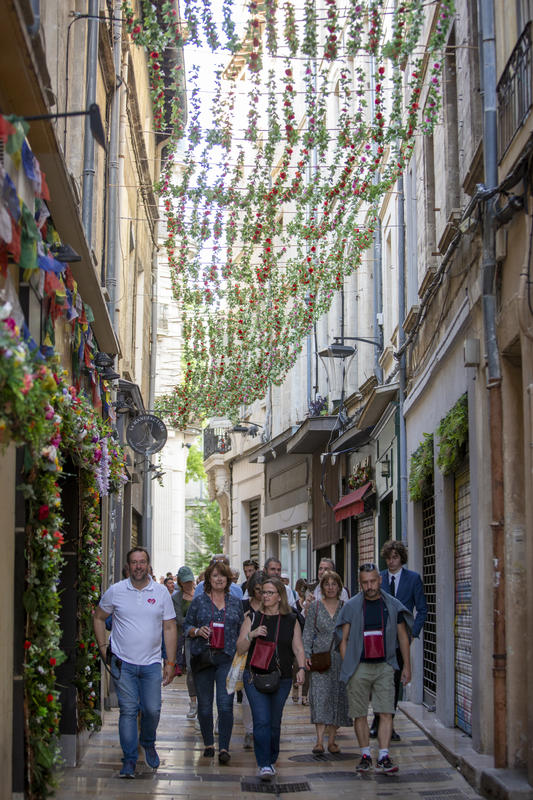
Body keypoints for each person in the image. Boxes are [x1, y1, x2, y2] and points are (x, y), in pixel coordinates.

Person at [93, 547, 177, 779]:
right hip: (123, 663)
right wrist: (103, 646)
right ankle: (129, 759)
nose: (138, 566)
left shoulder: (161, 592)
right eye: (134, 562)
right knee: (128, 711)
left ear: (148, 565)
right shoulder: (116, 591)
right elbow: (99, 617)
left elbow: (170, 627)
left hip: (151, 664)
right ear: (128, 566)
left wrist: (170, 662)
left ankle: (148, 742)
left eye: (142, 562)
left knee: (152, 709)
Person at [337, 563, 413, 775]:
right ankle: (364, 755)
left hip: (385, 665)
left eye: (372, 581)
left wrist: (407, 666)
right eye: (365, 582)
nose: (369, 586)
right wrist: (349, 665)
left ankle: (384, 756)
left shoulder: (393, 605)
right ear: (360, 583)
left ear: (380, 580)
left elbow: (403, 637)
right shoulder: (352, 606)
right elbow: (343, 639)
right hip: (359, 666)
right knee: (359, 713)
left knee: (386, 711)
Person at [236, 576, 306, 782]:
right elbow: (240, 648)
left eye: (270, 593)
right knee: (261, 720)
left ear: (279, 596)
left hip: (282, 678)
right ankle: (264, 763)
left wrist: (301, 668)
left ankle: (271, 758)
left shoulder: (291, 619)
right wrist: (252, 635)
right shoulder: (252, 617)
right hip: (254, 676)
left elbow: (298, 647)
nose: (265, 596)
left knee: (274, 722)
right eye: (263, 592)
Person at [184, 560, 244, 765]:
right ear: (208, 579)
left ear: (228, 579)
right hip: (203, 658)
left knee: (225, 705)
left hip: (227, 658)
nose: (219, 579)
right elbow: (186, 626)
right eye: (215, 575)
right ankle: (209, 743)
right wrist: (196, 631)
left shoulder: (235, 602)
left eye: (222, 575)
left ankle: (224, 747)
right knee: (204, 706)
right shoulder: (199, 601)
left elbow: (242, 628)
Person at [369, 539, 428, 740]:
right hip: (379, 639)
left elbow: (422, 609)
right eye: (388, 557)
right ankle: (378, 720)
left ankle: (388, 724)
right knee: (378, 681)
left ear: (401, 558)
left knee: (394, 682)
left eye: (395, 557)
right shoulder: (380, 579)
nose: (391, 561)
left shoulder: (413, 579)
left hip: (401, 640)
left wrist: (413, 633)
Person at [303, 571, 351, 753]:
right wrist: (306, 654)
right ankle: (319, 741)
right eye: (327, 584)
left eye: (334, 584)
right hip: (320, 659)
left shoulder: (345, 607)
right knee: (319, 696)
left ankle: (332, 741)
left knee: (337, 697)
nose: (330, 587)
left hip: (340, 658)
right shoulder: (315, 607)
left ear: (339, 587)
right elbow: (308, 632)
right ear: (322, 587)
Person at [240, 570, 265, 749]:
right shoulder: (243, 606)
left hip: (266, 655)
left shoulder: (273, 605)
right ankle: (249, 731)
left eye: (264, 589)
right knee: (247, 698)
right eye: (257, 590)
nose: (261, 594)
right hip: (246, 655)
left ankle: (261, 729)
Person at [173, 565, 197, 717]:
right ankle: (193, 702)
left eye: (190, 581)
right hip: (188, 637)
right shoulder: (176, 598)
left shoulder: (200, 593)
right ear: (180, 582)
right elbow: (178, 619)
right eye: (185, 582)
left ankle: (204, 701)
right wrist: (193, 625)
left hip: (204, 637)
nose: (189, 584)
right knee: (191, 669)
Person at [291, 578, 309, 705]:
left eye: (305, 589)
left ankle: (304, 695)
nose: (303, 592)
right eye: (301, 589)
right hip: (298, 637)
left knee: (308, 666)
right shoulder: (295, 605)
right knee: (297, 664)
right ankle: (295, 687)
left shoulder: (311, 604)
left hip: (309, 638)